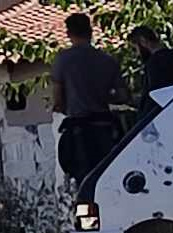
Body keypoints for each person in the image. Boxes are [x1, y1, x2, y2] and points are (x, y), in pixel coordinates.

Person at [52, 13, 130, 184]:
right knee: (109, 178)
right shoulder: (107, 60)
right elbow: (123, 96)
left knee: (84, 182)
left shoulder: (63, 60)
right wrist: (104, 96)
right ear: (90, 32)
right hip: (105, 128)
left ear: (68, 34)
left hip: (78, 131)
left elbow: (58, 101)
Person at [128, 26, 173, 117]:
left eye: (135, 48)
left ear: (143, 41)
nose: (137, 53)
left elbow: (154, 94)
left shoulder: (154, 63)